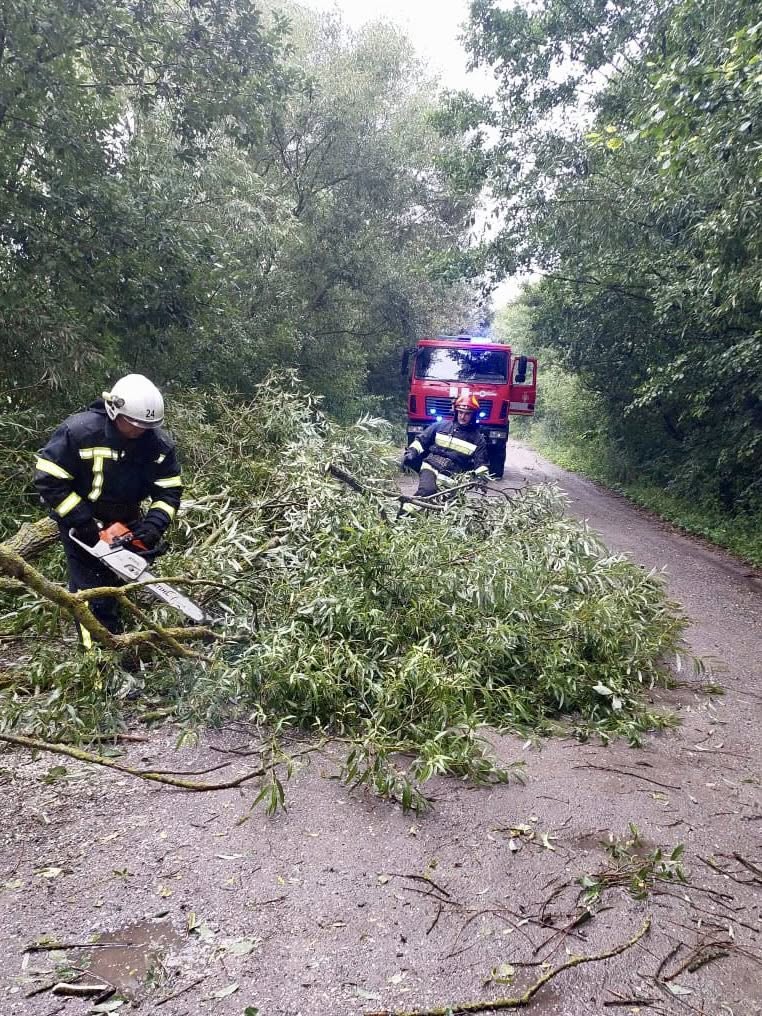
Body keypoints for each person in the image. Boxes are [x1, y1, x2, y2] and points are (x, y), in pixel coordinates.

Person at [34, 374, 182, 644]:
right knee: (93, 593)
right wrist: (81, 520)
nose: (139, 431)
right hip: (82, 519)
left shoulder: (158, 445)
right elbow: (48, 478)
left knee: (121, 582)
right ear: (114, 409)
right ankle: (98, 657)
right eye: (133, 424)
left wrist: (153, 526)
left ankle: (121, 634)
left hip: (126, 517)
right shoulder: (80, 432)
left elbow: (169, 490)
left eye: (146, 426)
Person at [402, 392, 489, 497]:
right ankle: (408, 507)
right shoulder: (440, 426)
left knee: (443, 502)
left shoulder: (478, 439)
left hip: (453, 476)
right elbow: (421, 440)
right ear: (456, 412)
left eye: (467, 414)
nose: (463, 416)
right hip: (431, 467)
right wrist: (412, 451)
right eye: (460, 412)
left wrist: (482, 478)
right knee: (427, 491)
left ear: (473, 415)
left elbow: (481, 463)